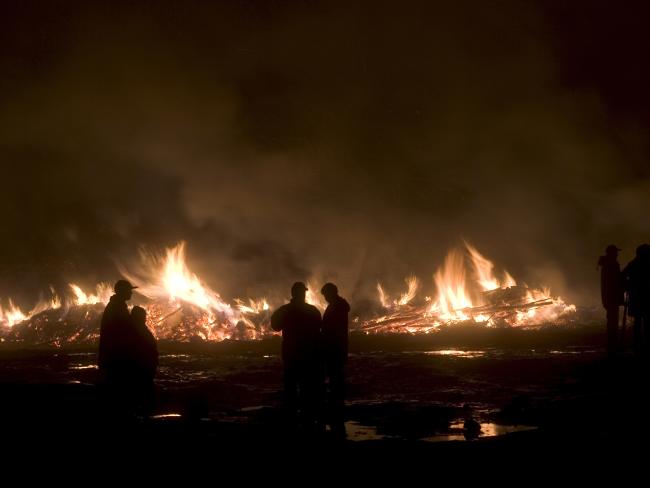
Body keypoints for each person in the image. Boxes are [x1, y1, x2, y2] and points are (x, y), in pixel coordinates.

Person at [271, 282, 322, 430]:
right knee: (308, 386)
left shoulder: (285, 310)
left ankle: (292, 417)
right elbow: (319, 329)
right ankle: (308, 418)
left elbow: (275, 326)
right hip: (309, 354)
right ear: (303, 294)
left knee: (291, 386)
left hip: (291, 353)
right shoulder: (312, 310)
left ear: (293, 294)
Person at [320, 282, 350, 439]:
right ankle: (336, 402)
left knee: (335, 375)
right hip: (336, 347)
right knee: (335, 375)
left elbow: (332, 328)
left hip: (335, 347)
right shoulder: (337, 305)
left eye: (325, 294)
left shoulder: (337, 307)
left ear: (331, 293)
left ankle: (336, 405)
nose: (324, 298)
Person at [129, 306, 158, 414]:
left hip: (144, 365)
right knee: (143, 389)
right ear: (139, 317)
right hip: (143, 366)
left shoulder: (137, 328)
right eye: (143, 316)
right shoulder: (137, 329)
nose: (145, 318)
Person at [622, 244, 650, 357]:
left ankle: (637, 345)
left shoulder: (634, 263)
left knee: (638, 323)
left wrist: (628, 285)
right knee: (646, 323)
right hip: (645, 298)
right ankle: (643, 345)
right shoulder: (645, 264)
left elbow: (623, 275)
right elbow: (623, 276)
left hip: (637, 298)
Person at [597, 245, 624, 357]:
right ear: (611, 253)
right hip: (612, 297)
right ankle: (612, 345)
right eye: (615, 252)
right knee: (613, 321)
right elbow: (615, 281)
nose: (617, 254)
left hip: (609, 297)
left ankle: (612, 344)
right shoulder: (611, 265)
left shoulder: (607, 264)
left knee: (612, 321)